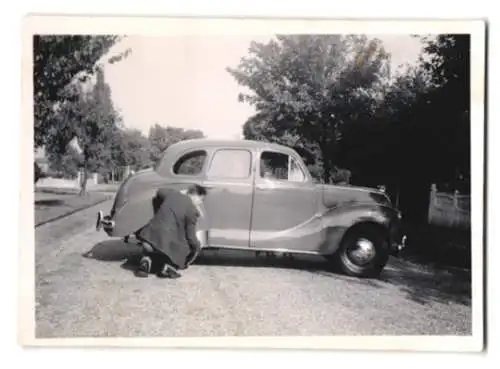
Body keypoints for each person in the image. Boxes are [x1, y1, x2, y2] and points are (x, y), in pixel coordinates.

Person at [133, 184, 208, 279]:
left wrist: (181, 192)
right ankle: (169, 267)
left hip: (148, 239)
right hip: (167, 247)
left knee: (154, 247)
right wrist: (197, 247)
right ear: (196, 195)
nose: (200, 203)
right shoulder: (192, 211)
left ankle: (146, 260)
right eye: (201, 199)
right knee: (185, 245)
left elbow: (160, 191)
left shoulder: (172, 195)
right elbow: (191, 237)